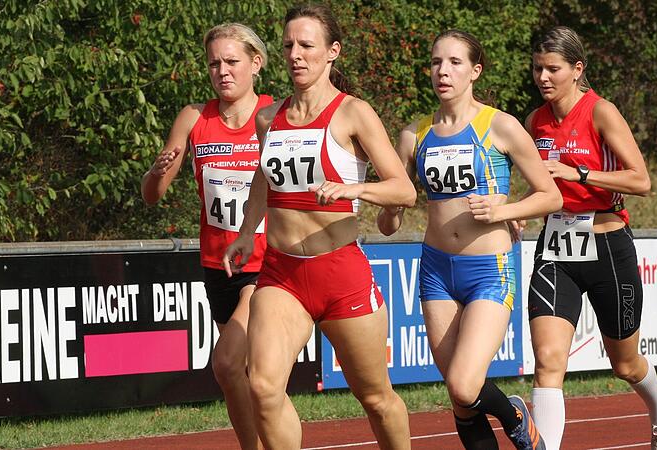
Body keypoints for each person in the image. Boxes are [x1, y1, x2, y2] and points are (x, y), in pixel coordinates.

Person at [223, 4, 415, 450]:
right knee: (263, 387)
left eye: (306, 45)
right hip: (282, 274)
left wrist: (355, 189)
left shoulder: (353, 113)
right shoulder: (268, 118)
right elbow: (263, 178)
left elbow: (403, 190)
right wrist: (247, 231)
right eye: (288, 45)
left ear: (332, 51)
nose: (295, 54)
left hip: (340, 274)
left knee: (376, 398)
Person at [378, 29, 562, 450]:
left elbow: (550, 195)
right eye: (435, 62)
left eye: (454, 63)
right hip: (436, 271)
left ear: (475, 71)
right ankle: (508, 418)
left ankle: (516, 415)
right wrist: (390, 208)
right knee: (461, 401)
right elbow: (389, 223)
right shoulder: (413, 135)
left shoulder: (500, 125)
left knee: (465, 384)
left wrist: (503, 211)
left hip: (488, 271)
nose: (442, 71)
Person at [524, 26, 657, 450]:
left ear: (577, 69)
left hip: (607, 244)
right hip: (556, 248)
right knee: (548, 361)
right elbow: (540, 184)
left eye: (552, 69)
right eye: (537, 68)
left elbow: (641, 181)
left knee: (625, 364)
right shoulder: (534, 122)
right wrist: (516, 212)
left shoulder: (600, 112)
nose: (543, 77)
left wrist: (580, 173)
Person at [141, 23, 272, 450]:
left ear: (256, 63)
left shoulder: (274, 114)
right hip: (218, 266)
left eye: (232, 61)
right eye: (214, 63)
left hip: (266, 264)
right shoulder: (194, 118)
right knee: (241, 375)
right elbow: (151, 196)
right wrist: (156, 172)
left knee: (229, 363)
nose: (223, 71)